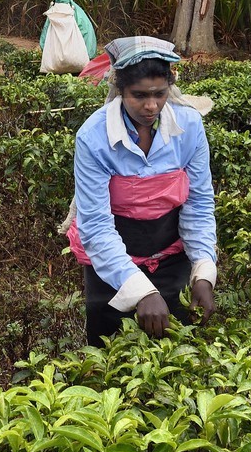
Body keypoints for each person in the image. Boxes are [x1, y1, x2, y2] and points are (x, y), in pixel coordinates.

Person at [66, 37, 218, 346]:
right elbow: (95, 225)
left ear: (170, 86)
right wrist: (141, 290)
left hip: (171, 257)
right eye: (139, 96)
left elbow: (199, 203)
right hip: (110, 264)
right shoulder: (93, 138)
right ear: (120, 88)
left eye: (159, 94)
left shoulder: (189, 128)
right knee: (109, 348)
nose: (151, 106)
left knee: (173, 350)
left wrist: (203, 270)